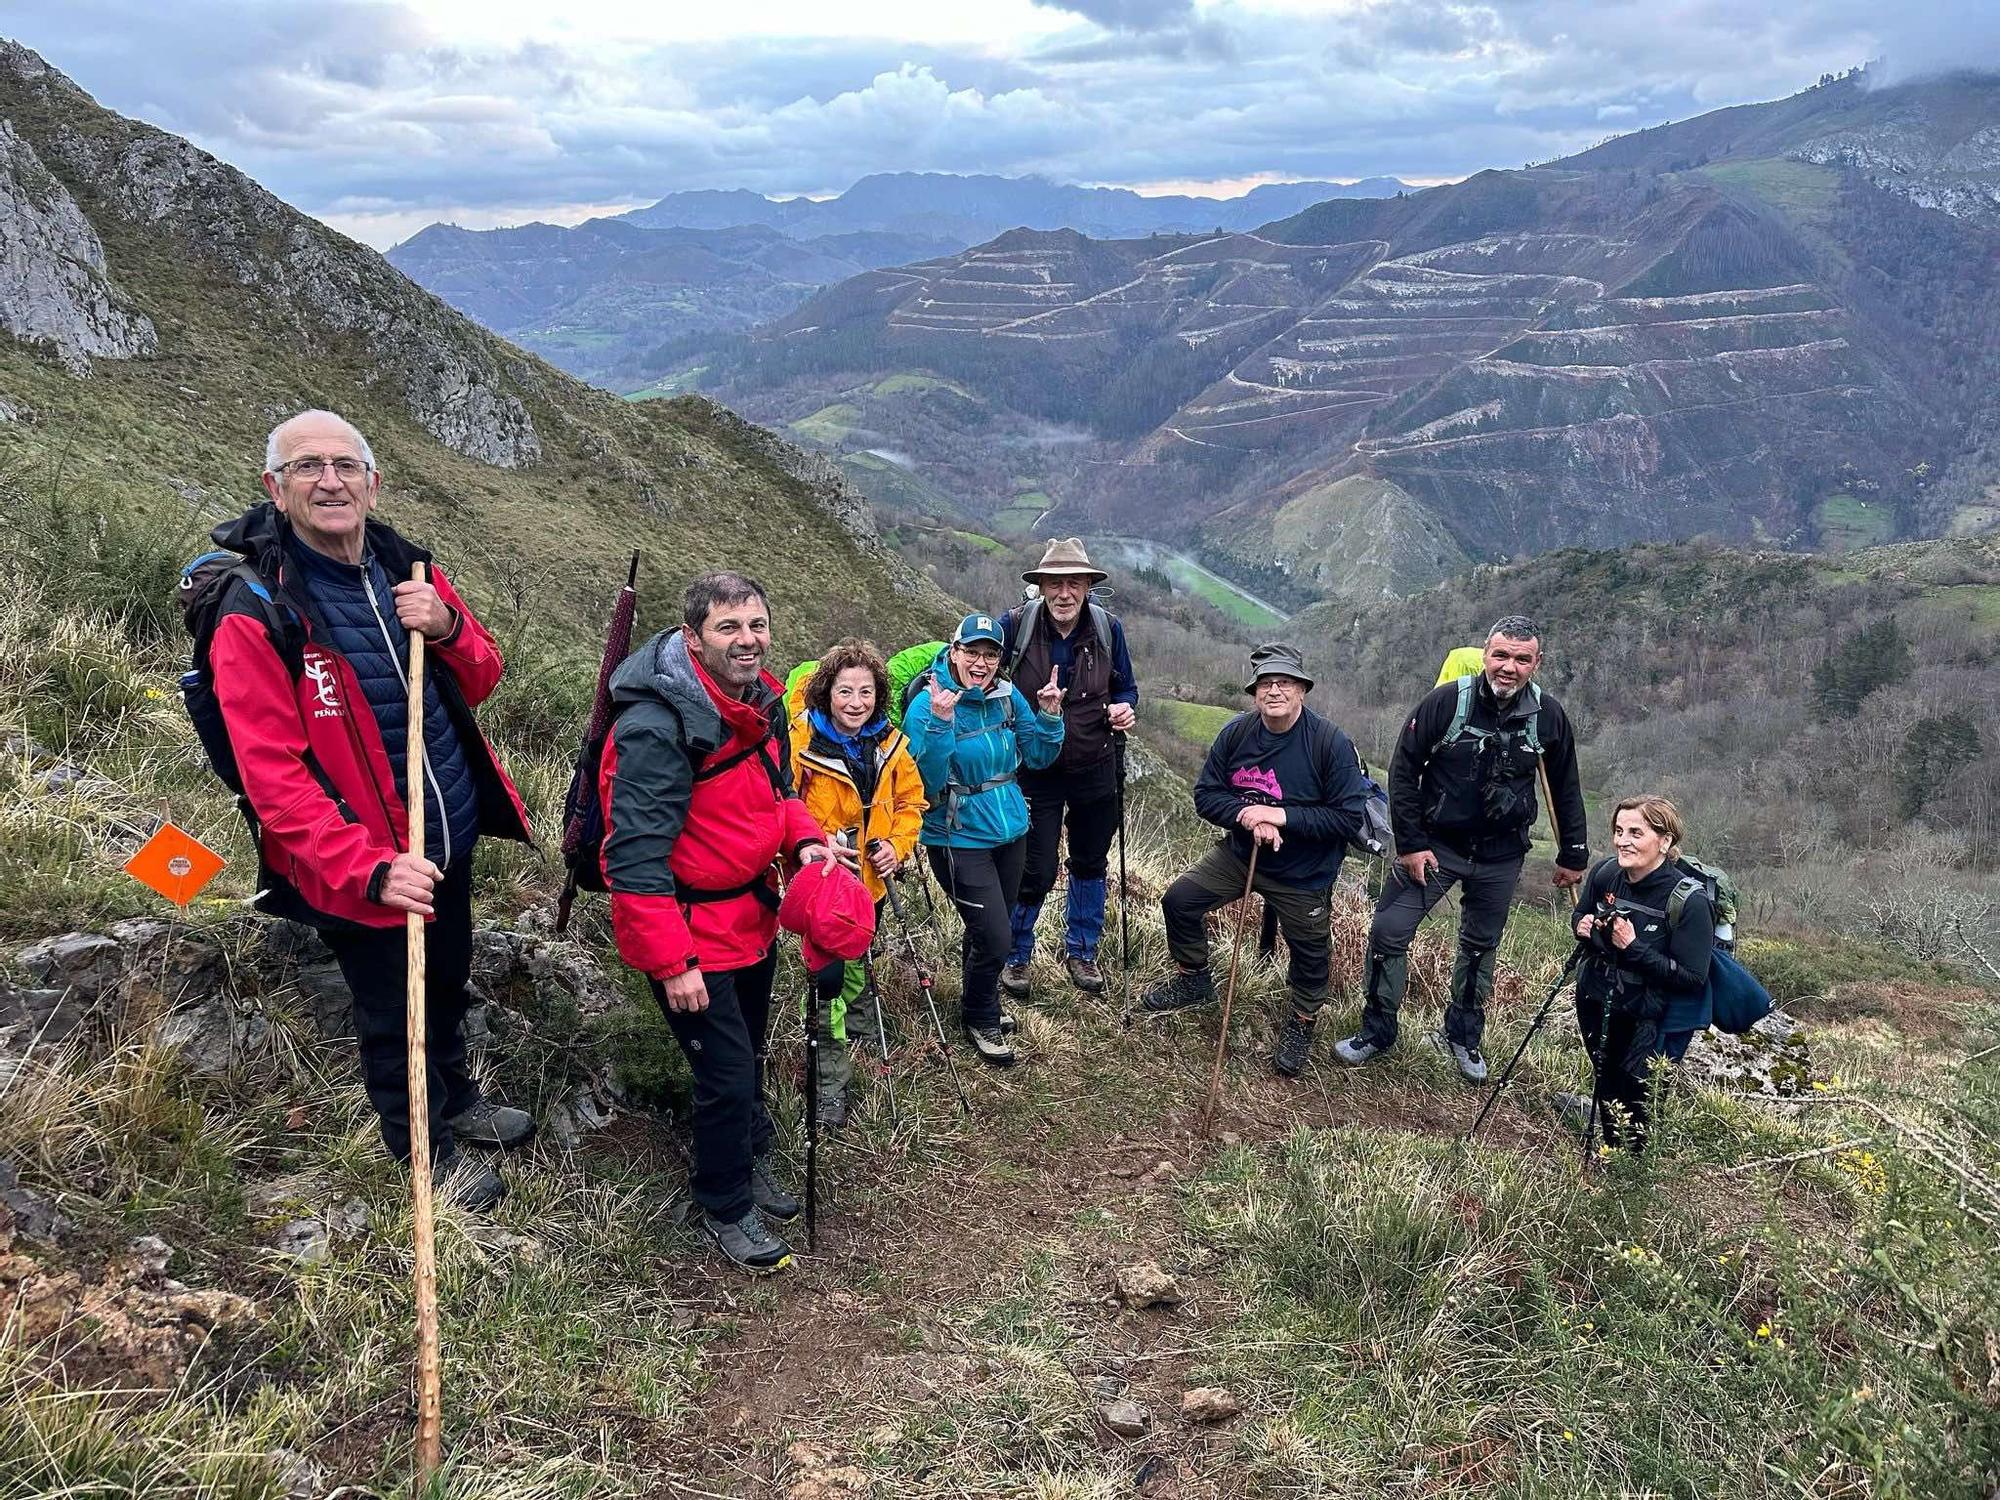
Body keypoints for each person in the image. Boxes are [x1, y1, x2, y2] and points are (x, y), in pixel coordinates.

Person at [206, 410, 534, 1212]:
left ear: (372, 481)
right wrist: (371, 869)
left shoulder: (407, 566)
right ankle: (426, 1154)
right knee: (396, 1012)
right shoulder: (257, 612)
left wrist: (450, 626)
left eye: (345, 466)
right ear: (274, 489)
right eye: (308, 467)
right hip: (364, 866)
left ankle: (457, 1097)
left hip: (445, 836)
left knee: (447, 978)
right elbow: (273, 778)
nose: (330, 481)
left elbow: (483, 675)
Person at [598, 571, 849, 1273]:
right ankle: (725, 1201)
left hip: (750, 918)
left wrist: (802, 838)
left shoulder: (760, 700)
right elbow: (635, 857)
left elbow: (781, 794)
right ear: (693, 637)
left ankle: (748, 1157)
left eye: (757, 626)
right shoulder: (656, 727)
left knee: (747, 1060)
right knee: (728, 1072)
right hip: (691, 933)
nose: (748, 641)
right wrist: (671, 962)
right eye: (729, 628)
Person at [1335, 616, 1589, 1083]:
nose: (1508, 667)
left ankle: (1463, 1036)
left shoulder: (1548, 717)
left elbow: (1565, 784)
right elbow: (1404, 767)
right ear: (1486, 654)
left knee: (1479, 946)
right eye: (1501, 655)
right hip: (1436, 846)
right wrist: (1410, 844)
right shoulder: (1447, 703)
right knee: (1390, 930)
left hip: (1502, 855)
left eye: (1521, 658)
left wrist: (1574, 852)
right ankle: (1377, 1031)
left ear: (1537, 663)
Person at [1141, 643, 1371, 1077]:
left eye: (1284, 682)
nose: (1275, 690)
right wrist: (1248, 816)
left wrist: (1280, 816)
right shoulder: (1237, 734)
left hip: (1304, 872)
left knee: (1308, 948)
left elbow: (1347, 817)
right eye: (1266, 683)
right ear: (1254, 693)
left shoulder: (1330, 743)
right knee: (1180, 900)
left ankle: (1302, 1021)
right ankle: (1193, 979)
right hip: (1241, 854)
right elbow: (1206, 796)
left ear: (1303, 690)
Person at [903, 613, 1065, 1066]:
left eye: (990, 654)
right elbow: (925, 783)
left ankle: (979, 1000)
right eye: (971, 651)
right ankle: (981, 1015)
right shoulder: (927, 702)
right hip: (955, 835)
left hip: (1010, 829)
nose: (981, 662)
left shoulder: (1008, 696)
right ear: (954, 651)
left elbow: (1038, 755)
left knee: (994, 926)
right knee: (995, 935)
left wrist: (1051, 716)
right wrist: (939, 723)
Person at [786, 639, 927, 1129]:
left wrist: (897, 845)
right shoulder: (801, 743)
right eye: (845, 691)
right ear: (826, 692)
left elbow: (911, 802)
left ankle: (863, 1023)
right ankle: (830, 1080)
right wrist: (810, 837)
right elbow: (782, 801)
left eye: (865, 692)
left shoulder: (889, 742)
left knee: (861, 950)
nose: (855, 702)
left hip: (871, 880)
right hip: (826, 880)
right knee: (828, 981)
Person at [997, 539, 1139, 999]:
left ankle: (1082, 949)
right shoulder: (1014, 627)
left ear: (1087, 587)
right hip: (1034, 767)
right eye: (1054, 583)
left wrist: (1124, 709)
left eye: (1073, 583)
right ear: (1040, 587)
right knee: (1033, 867)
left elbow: (1127, 689)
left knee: (1090, 860)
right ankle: (1016, 955)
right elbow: (977, 675)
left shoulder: (1107, 628)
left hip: (1095, 762)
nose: (1064, 593)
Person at [1571, 795, 1715, 1151]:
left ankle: (1632, 1175)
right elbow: (1580, 917)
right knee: (1605, 1081)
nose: (1623, 841)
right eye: (1619, 831)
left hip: (1652, 1016)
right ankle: (1610, 1156)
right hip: (1595, 996)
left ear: (1665, 841)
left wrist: (1633, 948)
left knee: (1639, 1095)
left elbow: (1693, 977)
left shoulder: (1689, 901)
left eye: (1636, 832)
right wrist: (1582, 925)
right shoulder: (1606, 874)